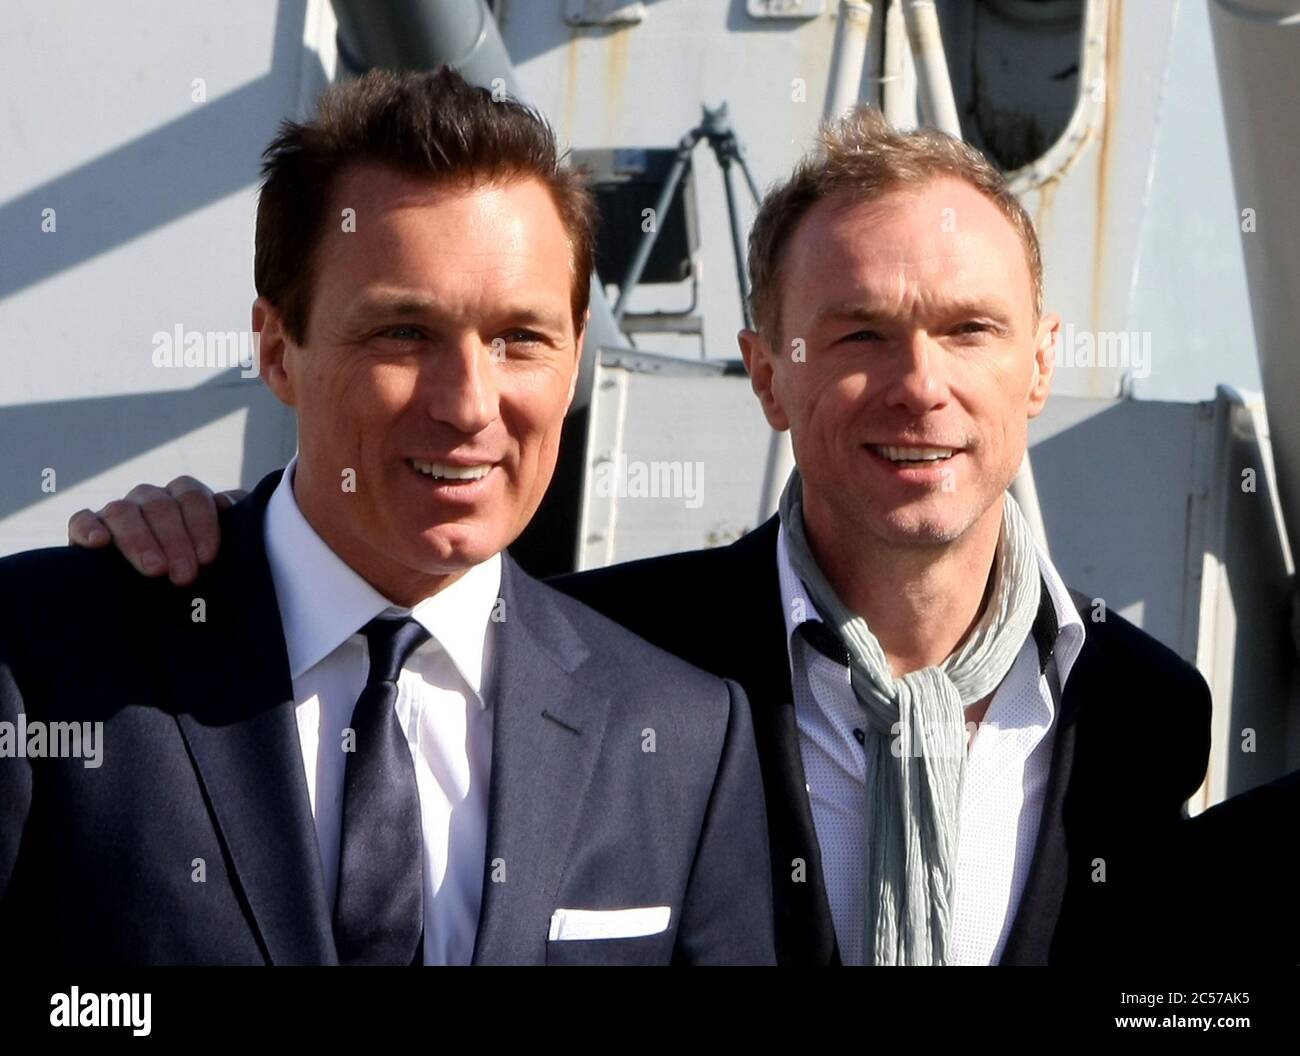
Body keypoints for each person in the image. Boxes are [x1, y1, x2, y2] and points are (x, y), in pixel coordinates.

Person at [67, 107, 1222, 966]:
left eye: (969, 328)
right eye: (859, 332)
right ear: (765, 375)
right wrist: (223, 549)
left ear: (1038, 362)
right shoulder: (628, 663)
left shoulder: (1144, 715)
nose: (919, 385)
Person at [0, 66, 776, 966]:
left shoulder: (682, 734)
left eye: (519, 338)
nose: (469, 404)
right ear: (276, 349)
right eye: (403, 334)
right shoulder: (44, 662)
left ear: (573, 366)